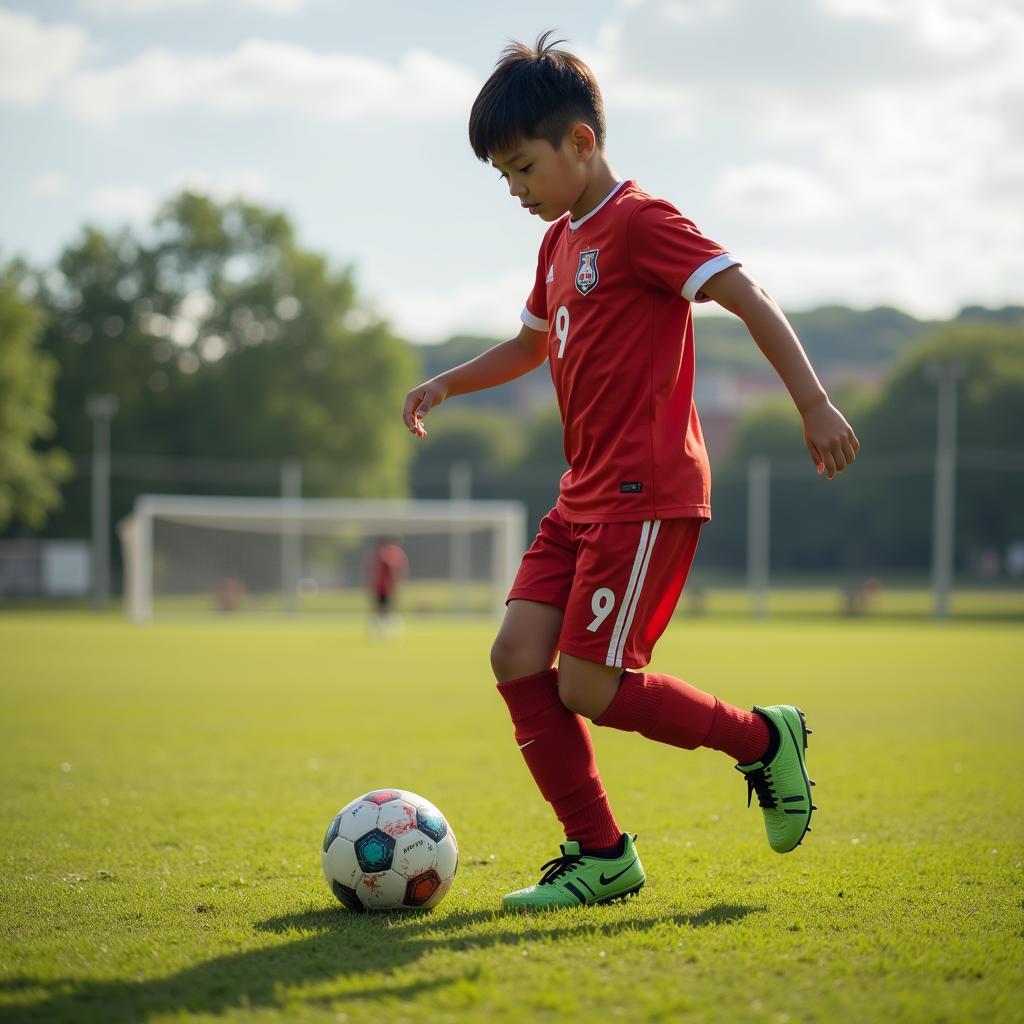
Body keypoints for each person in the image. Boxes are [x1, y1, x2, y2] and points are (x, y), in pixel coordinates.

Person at [402, 33, 859, 910]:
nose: (516, 190)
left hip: (646, 492)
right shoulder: (557, 243)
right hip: (580, 495)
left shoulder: (643, 222)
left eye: (523, 167)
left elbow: (744, 293)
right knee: (515, 655)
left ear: (580, 141)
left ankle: (763, 740)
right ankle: (599, 852)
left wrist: (812, 403)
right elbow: (533, 346)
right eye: (502, 176)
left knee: (588, 684)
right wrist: (449, 382)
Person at [366, 538, 407, 637]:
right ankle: (385, 632)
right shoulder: (386, 556)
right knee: (386, 610)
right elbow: (392, 572)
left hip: (382, 587)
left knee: (382, 611)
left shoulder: (377, 556)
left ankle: (381, 632)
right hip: (384, 588)